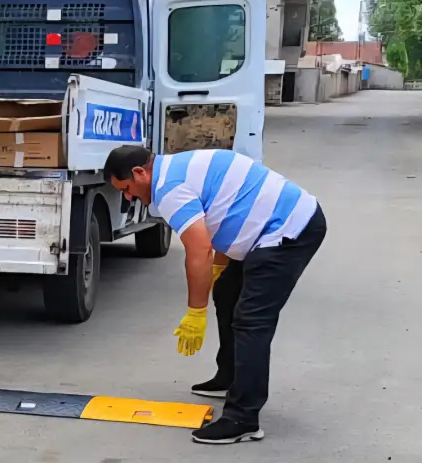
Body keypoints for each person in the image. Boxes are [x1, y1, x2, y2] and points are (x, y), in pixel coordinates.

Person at [103, 145, 326, 444]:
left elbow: (199, 250)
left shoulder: (169, 189)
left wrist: (196, 312)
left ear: (140, 173)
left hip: (286, 231)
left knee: (251, 321)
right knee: (226, 291)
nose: (129, 198)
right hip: (271, 226)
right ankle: (230, 377)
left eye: (127, 189)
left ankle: (243, 418)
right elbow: (224, 213)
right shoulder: (181, 166)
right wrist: (220, 272)